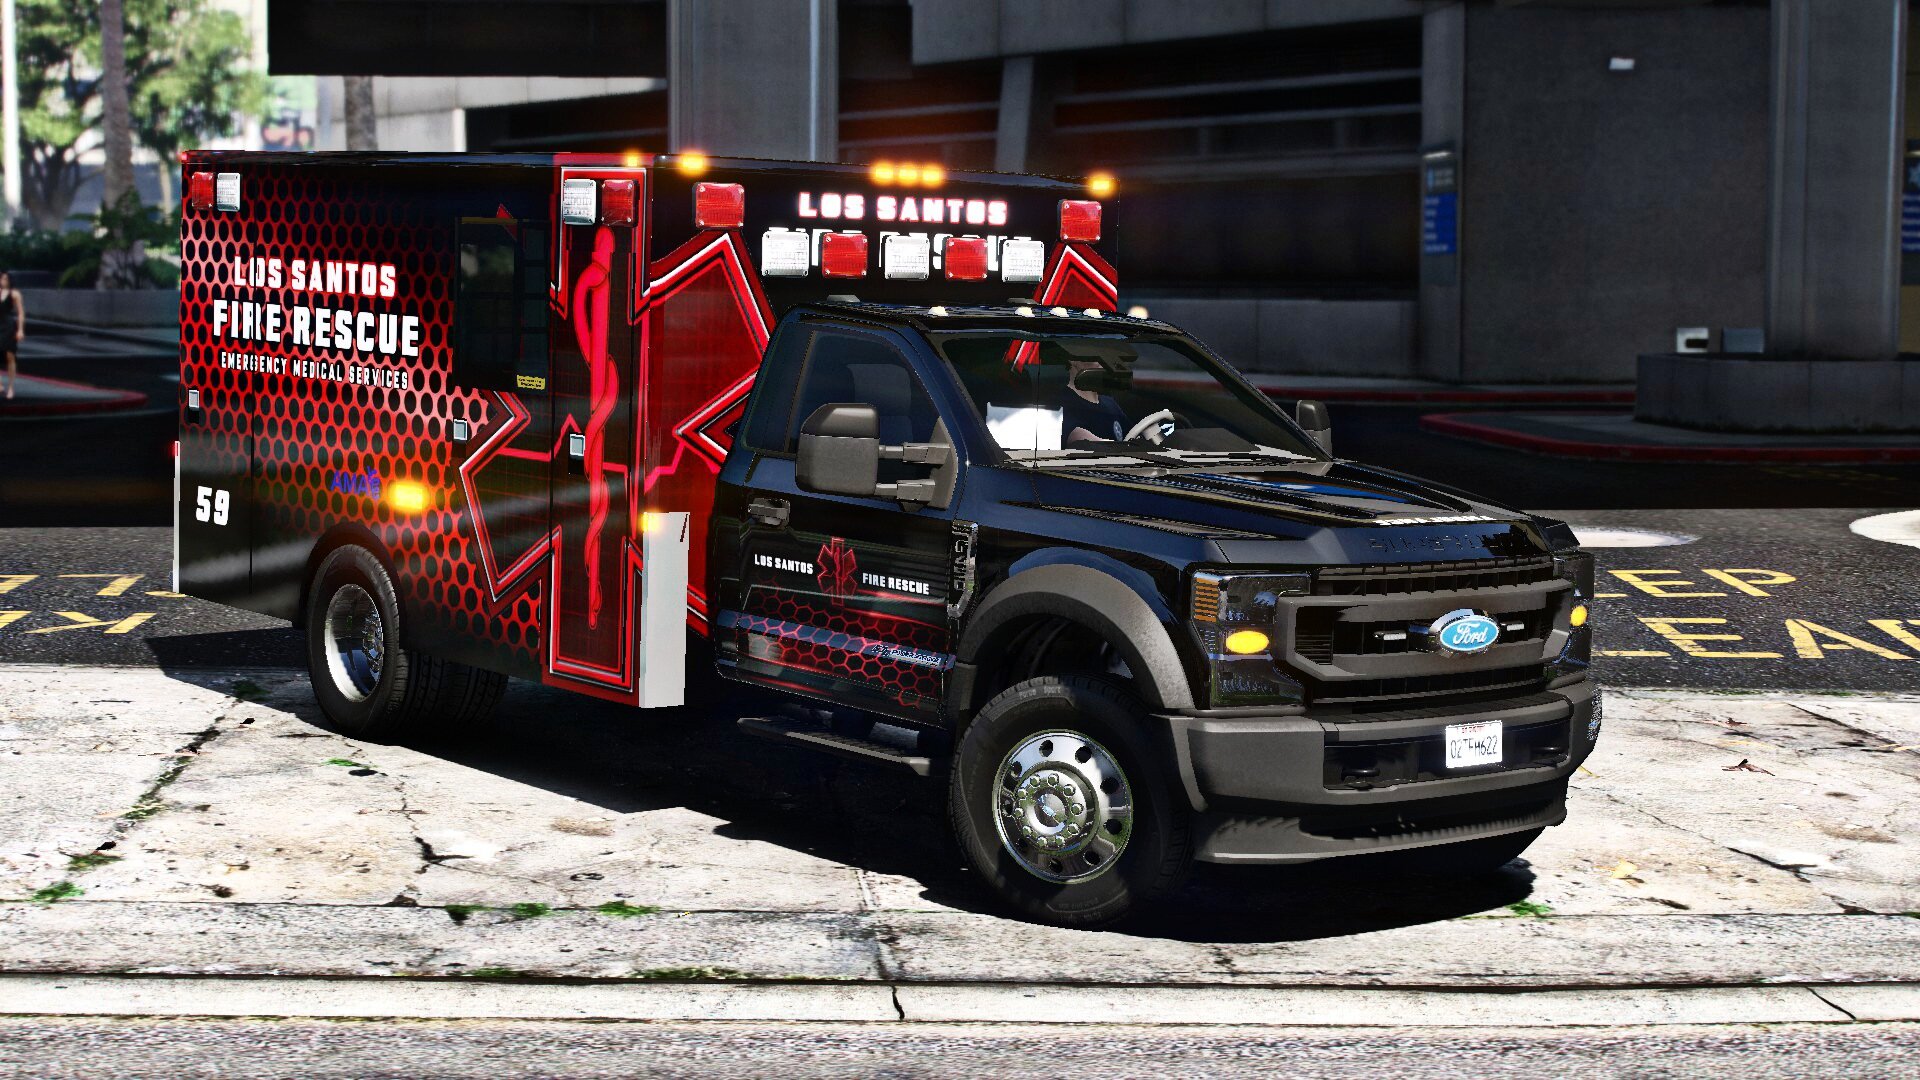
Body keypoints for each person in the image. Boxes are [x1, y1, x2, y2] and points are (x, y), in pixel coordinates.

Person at [0, 271, 20, 400]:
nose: (3, 281)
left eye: (5, 279)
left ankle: (11, 387)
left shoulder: (14, 293)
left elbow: (20, 312)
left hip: (8, 325)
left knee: (10, 355)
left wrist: (20, 330)